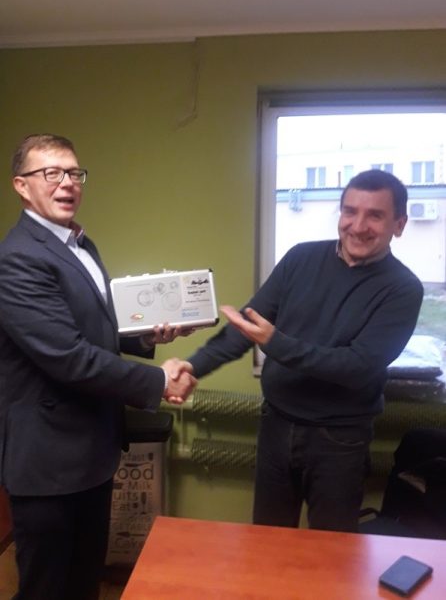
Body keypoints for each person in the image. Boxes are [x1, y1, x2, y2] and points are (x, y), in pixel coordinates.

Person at [167, 169, 424, 533]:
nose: (358, 225)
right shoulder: (301, 258)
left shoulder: (403, 289)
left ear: (399, 225)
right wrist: (191, 367)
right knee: (268, 539)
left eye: (375, 215)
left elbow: (358, 366)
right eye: (350, 211)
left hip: (340, 440)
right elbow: (245, 328)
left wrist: (275, 343)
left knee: (332, 549)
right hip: (276, 423)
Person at [0, 133, 197, 600]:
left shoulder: (81, 245)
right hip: (48, 465)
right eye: (51, 173)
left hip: (93, 453)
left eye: (74, 173)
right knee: (48, 589)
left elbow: (95, 325)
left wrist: (146, 335)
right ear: (21, 186)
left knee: (84, 583)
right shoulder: (17, 259)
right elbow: (69, 357)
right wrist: (158, 380)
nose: (67, 183)